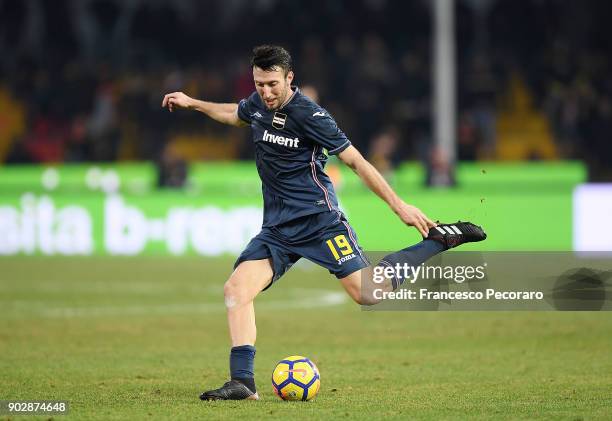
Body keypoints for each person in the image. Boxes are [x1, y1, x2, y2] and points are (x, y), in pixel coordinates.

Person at [162, 45, 486, 401]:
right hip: (278, 228)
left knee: (370, 293)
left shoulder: (311, 116)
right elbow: (235, 114)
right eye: (259, 84)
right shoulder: (257, 104)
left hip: (320, 222)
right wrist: (194, 103)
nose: (265, 92)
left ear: (289, 78)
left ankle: (439, 240)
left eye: (272, 84)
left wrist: (400, 207)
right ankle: (243, 382)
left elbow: (357, 162)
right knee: (235, 291)